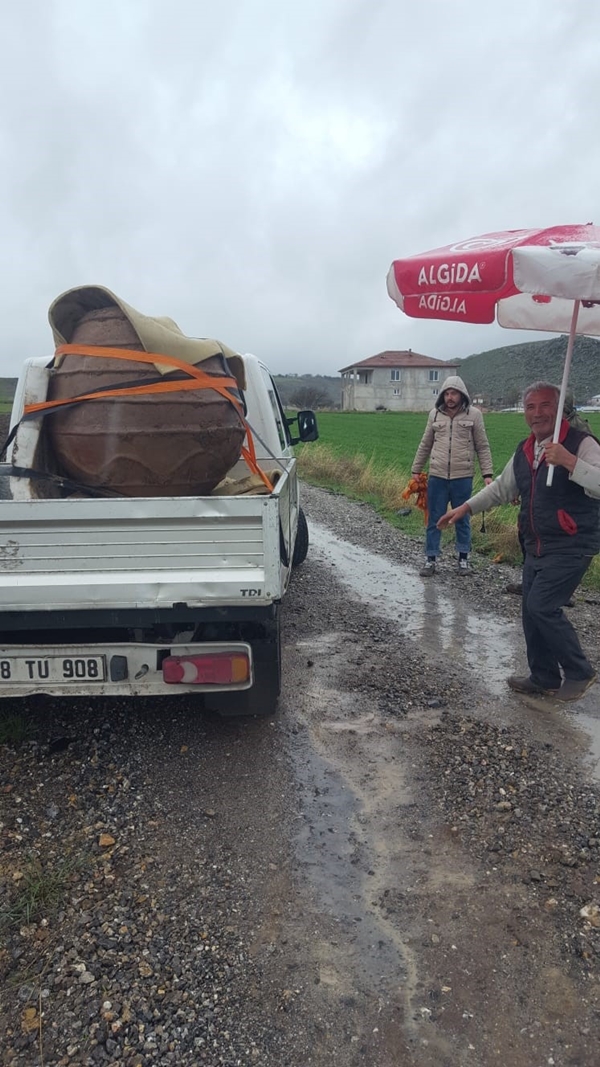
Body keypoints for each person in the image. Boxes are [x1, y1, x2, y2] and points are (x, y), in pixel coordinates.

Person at [438, 381, 600, 702]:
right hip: (535, 543)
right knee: (530, 610)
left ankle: (580, 672)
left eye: (545, 405)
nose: (537, 413)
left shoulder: (582, 444)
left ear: (560, 409)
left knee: (542, 605)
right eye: (531, 407)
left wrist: (569, 462)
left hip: (572, 543)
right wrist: (465, 508)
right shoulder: (526, 450)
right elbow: (502, 488)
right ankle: (544, 677)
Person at [411, 375, 493, 576]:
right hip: (437, 476)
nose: (450, 397)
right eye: (447, 393)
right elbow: (425, 443)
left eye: (454, 393)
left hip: (462, 477)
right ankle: (430, 559)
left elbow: (482, 446)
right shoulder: (434, 415)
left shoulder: (474, 415)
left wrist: (487, 474)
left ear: (461, 394)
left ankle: (463, 559)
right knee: (434, 518)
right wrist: (416, 469)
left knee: (462, 519)